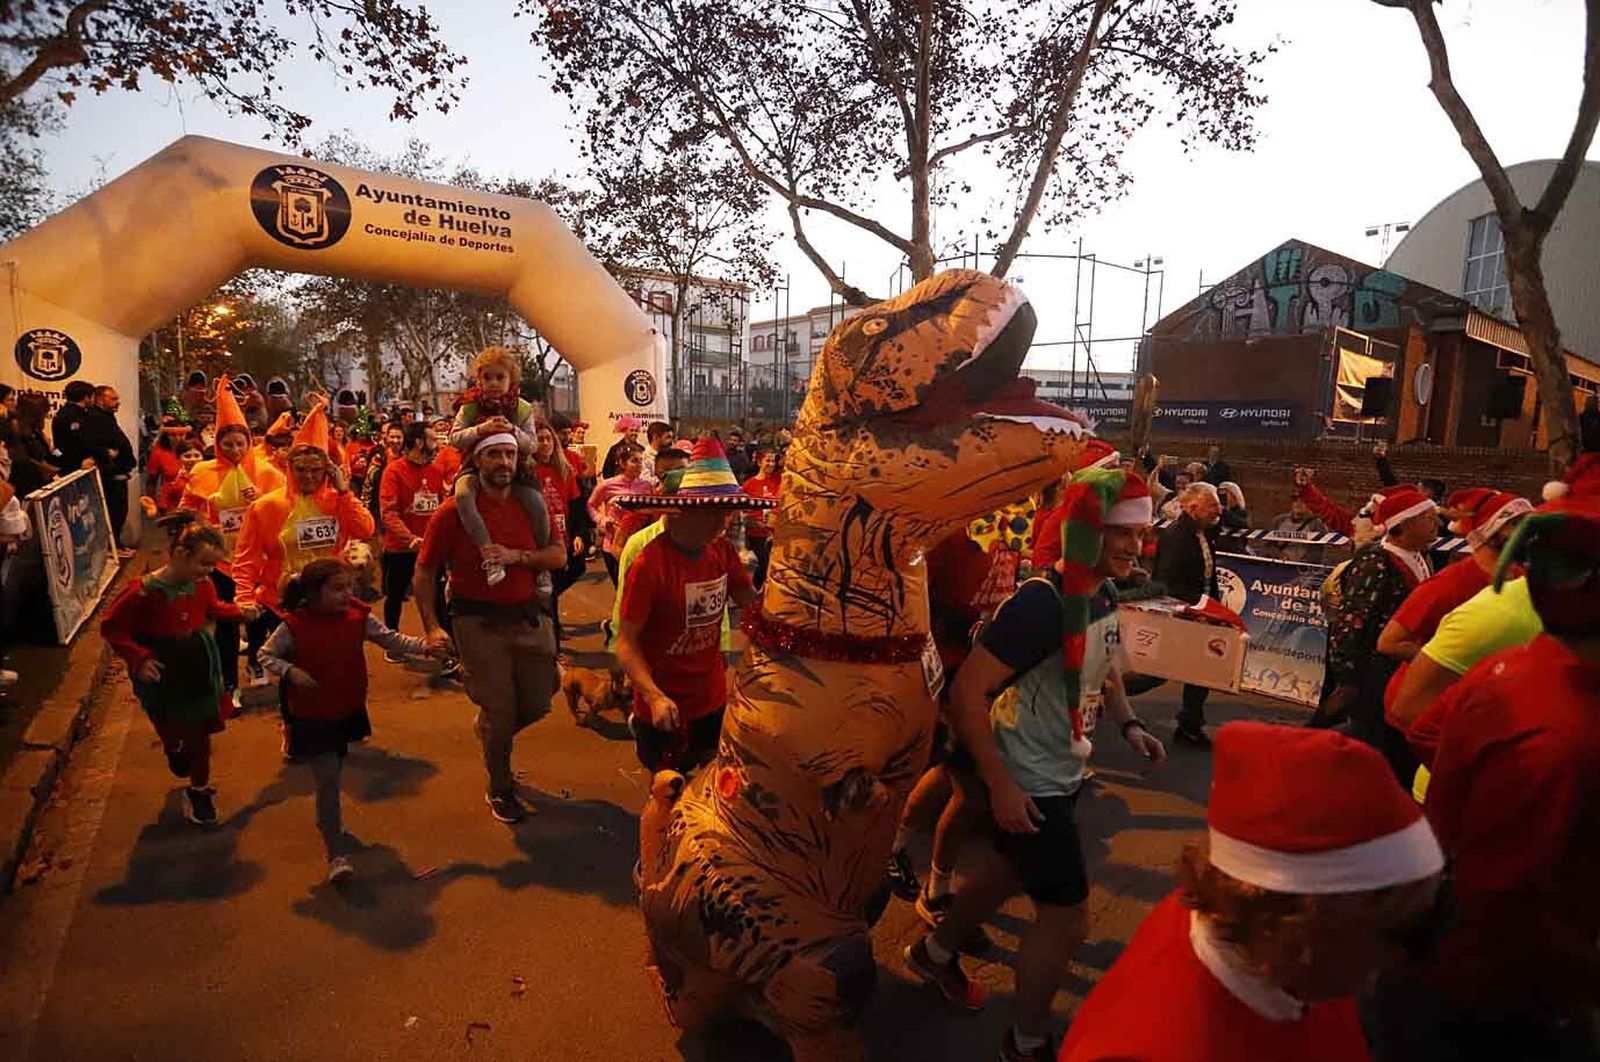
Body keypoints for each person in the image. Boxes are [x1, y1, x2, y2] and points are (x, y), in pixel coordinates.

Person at [905, 467, 1165, 1062]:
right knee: (1067, 919)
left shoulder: (1100, 591)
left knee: (1005, 872)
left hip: (1058, 771)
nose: (1133, 544)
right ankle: (1025, 1043)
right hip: (1028, 781)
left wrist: (1129, 724)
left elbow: (1105, 662)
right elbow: (966, 693)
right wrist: (998, 787)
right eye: (1119, 532)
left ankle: (935, 953)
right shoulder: (1041, 604)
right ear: (1084, 532)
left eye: (1140, 532)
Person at [1367, 454, 1600, 1062]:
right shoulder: (1549, 722)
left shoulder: (1528, 670)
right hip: (1491, 1001)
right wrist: (1479, 767)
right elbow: (1401, 687)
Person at [1059, 721, 1446, 1062]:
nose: (1402, 961)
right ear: (1291, 925)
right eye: (1400, 934)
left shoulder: (1245, 929)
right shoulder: (1145, 1049)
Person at [415, 432, 566, 824]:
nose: (503, 462)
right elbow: (426, 570)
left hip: (530, 617)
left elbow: (558, 555)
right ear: (478, 461)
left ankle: (491, 732)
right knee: (500, 713)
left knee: (539, 701)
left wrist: (517, 556)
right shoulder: (453, 512)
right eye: (494, 455)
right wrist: (432, 626)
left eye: (510, 455)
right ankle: (500, 786)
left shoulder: (531, 506)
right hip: (476, 623)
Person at [258, 558, 435, 883]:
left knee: (335, 767)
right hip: (312, 716)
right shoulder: (294, 626)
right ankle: (335, 852)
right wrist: (291, 672)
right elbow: (265, 654)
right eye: (337, 589)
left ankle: (329, 823)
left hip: (346, 708)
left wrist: (427, 647)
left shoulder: (358, 615)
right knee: (329, 779)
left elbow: (391, 639)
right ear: (313, 593)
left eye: (348, 587)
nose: (346, 594)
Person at [888, 521, 1023, 917]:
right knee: (972, 788)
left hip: (986, 671)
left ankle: (894, 847)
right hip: (950, 671)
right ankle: (935, 893)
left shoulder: (1013, 526)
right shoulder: (951, 534)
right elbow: (912, 599)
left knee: (953, 769)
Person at [613, 439, 769, 774]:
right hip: (663, 706)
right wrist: (653, 696)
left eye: (726, 512)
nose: (722, 523)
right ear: (681, 510)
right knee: (667, 793)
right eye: (713, 512)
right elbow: (625, 642)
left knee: (714, 785)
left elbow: (752, 604)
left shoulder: (721, 551)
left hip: (711, 699)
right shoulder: (649, 564)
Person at [100, 516, 243, 826]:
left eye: (212, 565)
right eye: (203, 563)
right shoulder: (142, 591)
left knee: (199, 733)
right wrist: (139, 658)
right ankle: (172, 745)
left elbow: (212, 608)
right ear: (180, 553)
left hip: (198, 664)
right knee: (166, 718)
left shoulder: (203, 583)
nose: (208, 572)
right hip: (161, 669)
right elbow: (112, 628)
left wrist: (240, 611)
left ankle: (199, 789)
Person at [1375, 488, 1529, 721]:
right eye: (1515, 524)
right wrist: (1447, 669)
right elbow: (1389, 642)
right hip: (1426, 713)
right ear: (1490, 532)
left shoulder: (1521, 578)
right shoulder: (1450, 584)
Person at [232, 404, 376, 643]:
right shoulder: (265, 506)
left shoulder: (337, 500)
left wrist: (344, 492)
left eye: (316, 470)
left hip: (334, 599)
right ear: (289, 468)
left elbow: (365, 529)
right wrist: (244, 597)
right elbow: (246, 557)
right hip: (283, 603)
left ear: (327, 471)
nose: (308, 476)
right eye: (300, 469)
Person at [1323, 486, 1437, 782]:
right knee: (1369, 744)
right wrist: (1348, 678)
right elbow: (1352, 622)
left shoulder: (1421, 558)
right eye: (1428, 518)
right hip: (1374, 673)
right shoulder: (1377, 561)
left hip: (1401, 672)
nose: (1436, 524)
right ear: (1406, 524)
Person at [182, 380, 275, 693]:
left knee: (258, 617)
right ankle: (229, 684)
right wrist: (206, 516)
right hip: (219, 560)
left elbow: (281, 509)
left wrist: (258, 498)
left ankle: (256, 661)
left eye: (240, 444)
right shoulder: (202, 472)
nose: (235, 450)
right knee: (226, 623)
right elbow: (186, 512)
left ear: (249, 443)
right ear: (217, 445)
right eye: (228, 444)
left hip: (257, 558)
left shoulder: (266, 471)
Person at [447, 347, 543, 588]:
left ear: (511, 380)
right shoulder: (469, 405)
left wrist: (512, 429)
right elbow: (454, 438)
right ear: (478, 379)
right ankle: (489, 557)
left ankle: (541, 564)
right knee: (462, 495)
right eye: (487, 377)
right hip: (475, 466)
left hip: (515, 469)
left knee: (537, 502)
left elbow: (532, 445)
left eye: (500, 377)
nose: (493, 383)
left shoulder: (522, 408)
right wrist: (481, 429)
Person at [1155, 482, 1223, 746]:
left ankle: (1190, 724)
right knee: (1154, 674)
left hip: (1201, 614)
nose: (1219, 511)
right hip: (1182, 613)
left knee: (1201, 670)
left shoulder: (1204, 534)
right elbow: (1168, 581)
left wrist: (1215, 605)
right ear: (1193, 508)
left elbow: (1209, 575)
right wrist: (1201, 603)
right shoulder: (1175, 536)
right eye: (1213, 506)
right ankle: (1107, 692)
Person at [377, 422, 445, 647]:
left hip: (431, 548)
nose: (437, 445)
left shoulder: (435, 471)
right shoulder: (393, 471)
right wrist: (410, 539)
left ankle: (444, 645)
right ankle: (392, 642)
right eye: (433, 439)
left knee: (438, 597)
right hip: (400, 549)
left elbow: (441, 508)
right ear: (419, 442)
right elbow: (388, 513)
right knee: (395, 596)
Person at [528, 421, 578, 642]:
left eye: (549, 439)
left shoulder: (563, 469)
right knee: (547, 596)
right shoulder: (526, 471)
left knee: (554, 590)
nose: (546, 443)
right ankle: (551, 645)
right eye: (540, 439)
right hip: (537, 542)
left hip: (562, 538)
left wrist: (579, 535)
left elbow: (575, 504)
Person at [83, 385, 138, 553]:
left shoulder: (107, 417)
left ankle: (115, 544)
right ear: (100, 399)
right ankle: (112, 546)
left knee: (119, 511)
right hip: (111, 475)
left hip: (119, 472)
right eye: (113, 399)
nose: (118, 402)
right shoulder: (95, 418)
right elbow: (95, 443)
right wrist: (108, 459)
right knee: (115, 511)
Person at [588, 445, 652, 585]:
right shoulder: (607, 485)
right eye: (634, 461)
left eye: (641, 461)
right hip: (612, 544)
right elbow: (591, 505)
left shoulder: (647, 486)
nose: (639, 465)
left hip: (638, 544)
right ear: (622, 463)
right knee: (621, 588)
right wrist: (602, 520)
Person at [740, 447, 782, 589]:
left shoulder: (778, 480)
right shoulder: (749, 484)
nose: (771, 464)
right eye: (767, 460)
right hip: (757, 534)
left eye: (773, 461)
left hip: (775, 533)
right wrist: (751, 522)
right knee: (762, 565)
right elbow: (740, 512)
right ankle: (755, 595)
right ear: (759, 462)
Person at [49, 380, 95, 472]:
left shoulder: (63, 413)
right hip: (77, 468)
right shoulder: (74, 416)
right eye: (93, 397)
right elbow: (73, 444)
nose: (94, 400)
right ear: (86, 397)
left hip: (71, 464)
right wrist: (78, 463)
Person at [601, 413, 643, 478]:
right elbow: (607, 472)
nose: (634, 433)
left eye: (636, 431)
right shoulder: (615, 449)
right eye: (631, 430)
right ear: (624, 430)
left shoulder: (641, 449)